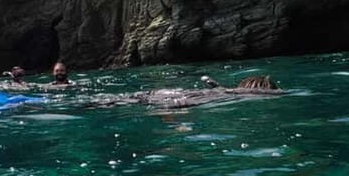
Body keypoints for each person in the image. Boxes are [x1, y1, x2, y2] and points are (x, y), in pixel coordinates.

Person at [88, 75, 282, 110]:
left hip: (167, 94)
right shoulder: (238, 95)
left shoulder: (227, 91)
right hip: (174, 100)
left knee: (115, 101)